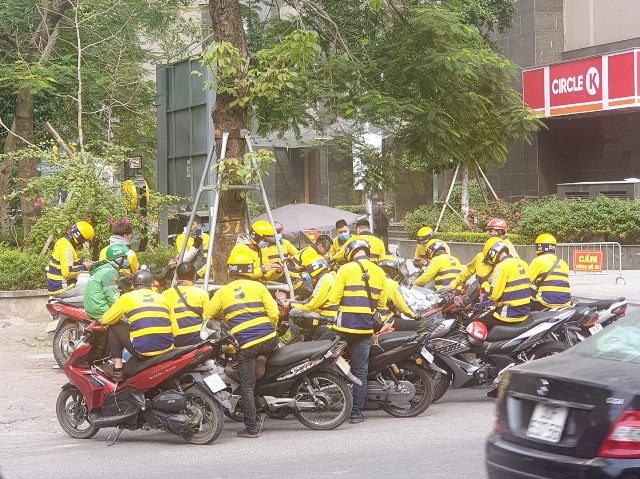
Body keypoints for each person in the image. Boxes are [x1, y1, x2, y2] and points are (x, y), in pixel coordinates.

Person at [204, 250, 279, 438]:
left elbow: (208, 314)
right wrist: (271, 329)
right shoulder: (259, 286)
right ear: (250, 269)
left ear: (231, 271)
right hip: (269, 338)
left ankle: (251, 428)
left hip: (247, 344)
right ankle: (262, 361)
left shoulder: (222, 292)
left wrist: (225, 315)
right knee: (261, 356)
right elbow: (274, 313)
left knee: (247, 386)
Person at [328, 238, 388, 424]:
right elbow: (382, 303)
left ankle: (334, 398)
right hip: (364, 327)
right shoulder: (380, 272)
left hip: (343, 327)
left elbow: (333, 298)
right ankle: (355, 413)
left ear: (351, 253)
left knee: (327, 361)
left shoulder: (345, 269)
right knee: (360, 369)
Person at [99, 269, 174, 382]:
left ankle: (117, 369)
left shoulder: (127, 297)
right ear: (152, 284)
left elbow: (107, 319)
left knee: (114, 326)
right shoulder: (163, 297)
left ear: (133, 285)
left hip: (144, 353)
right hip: (167, 350)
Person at [449, 217, 517, 290]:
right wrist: (454, 284)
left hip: (494, 291)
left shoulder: (508, 248)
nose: (488, 233)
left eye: (491, 231)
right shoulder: (488, 248)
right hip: (484, 289)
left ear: (500, 232)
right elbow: (468, 270)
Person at [478, 237, 530, 326]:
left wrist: (484, 284)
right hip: (524, 312)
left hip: (509, 314)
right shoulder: (523, 263)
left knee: (476, 322)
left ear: (492, 253)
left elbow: (494, 296)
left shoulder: (501, 266)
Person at [286, 251, 338, 339]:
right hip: (327, 317)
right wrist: (294, 301)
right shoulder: (329, 277)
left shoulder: (325, 281)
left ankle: (297, 344)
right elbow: (311, 300)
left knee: (294, 313)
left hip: (327, 321)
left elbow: (311, 305)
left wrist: (291, 305)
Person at [162, 263, 210, 347]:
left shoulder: (165, 294)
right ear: (194, 277)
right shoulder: (202, 293)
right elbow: (207, 318)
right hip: (198, 338)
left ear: (177, 276)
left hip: (176, 340)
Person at [47, 221, 95, 303]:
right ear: (79, 237)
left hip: (57, 286)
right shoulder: (67, 247)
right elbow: (67, 272)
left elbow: (64, 262)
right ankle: (60, 303)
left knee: (89, 287)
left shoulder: (63, 241)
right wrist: (84, 266)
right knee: (93, 293)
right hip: (62, 288)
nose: (83, 242)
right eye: (84, 240)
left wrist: (81, 262)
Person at [84, 244, 129, 320]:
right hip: (101, 311)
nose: (126, 261)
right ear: (118, 258)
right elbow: (113, 298)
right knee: (128, 322)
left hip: (92, 309)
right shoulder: (110, 272)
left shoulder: (103, 269)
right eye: (125, 258)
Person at [529, 233, 571, 310]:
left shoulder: (537, 261)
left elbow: (526, 281)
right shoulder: (563, 263)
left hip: (545, 302)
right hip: (566, 302)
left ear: (539, 247)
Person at [378, 256, 417, 325]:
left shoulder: (373, 281)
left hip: (372, 318)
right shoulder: (391, 284)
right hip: (385, 320)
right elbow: (402, 306)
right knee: (417, 326)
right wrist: (415, 316)